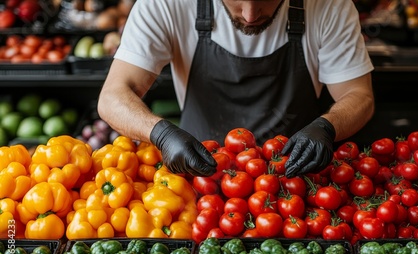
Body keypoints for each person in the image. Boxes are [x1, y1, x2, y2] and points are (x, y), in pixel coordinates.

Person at [97, 0, 375, 178]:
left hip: (297, 177)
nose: (250, 14)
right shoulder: (166, 5)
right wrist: (160, 133)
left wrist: (327, 127)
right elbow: (113, 96)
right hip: (200, 177)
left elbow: (359, 95)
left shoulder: (329, 5)